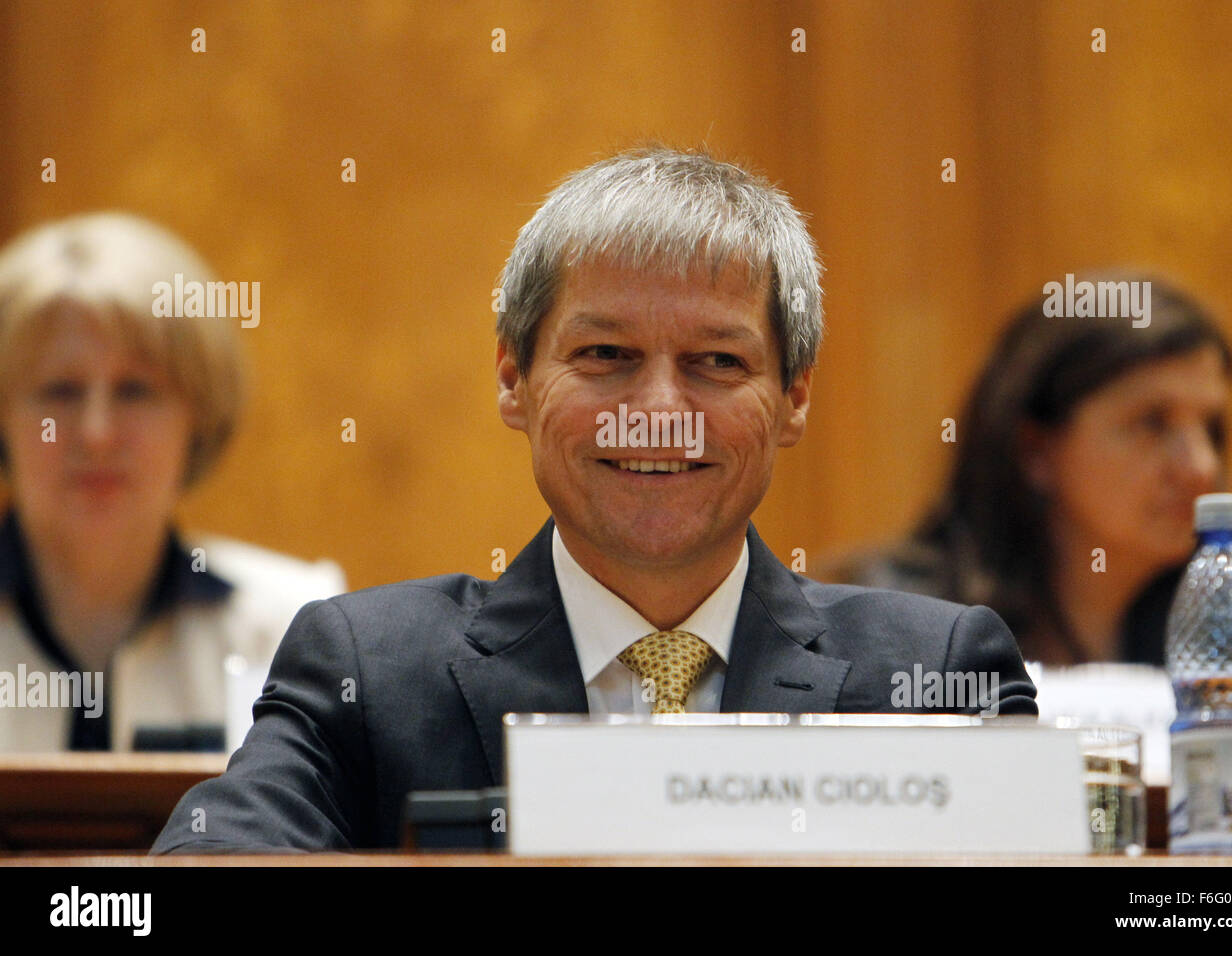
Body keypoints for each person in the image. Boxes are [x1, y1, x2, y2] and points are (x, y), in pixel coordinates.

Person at [152, 145, 1035, 853]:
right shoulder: (368, 668)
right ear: (514, 380)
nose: (658, 414)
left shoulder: (936, 672)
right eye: (605, 355)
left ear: (793, 399)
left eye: (717, 363)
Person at [0, 212, 345, 752]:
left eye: (136, 390)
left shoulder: (291, 628)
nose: (96, 433)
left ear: (199, 415)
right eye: (60, 391)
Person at [828, 274, 1232, 667]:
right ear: (1037, 452)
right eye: (1152, 423)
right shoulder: (899, 619)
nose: (1202, 467)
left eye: (1211, 428)